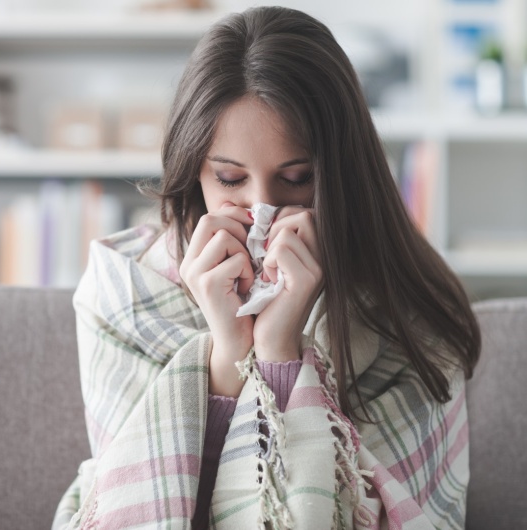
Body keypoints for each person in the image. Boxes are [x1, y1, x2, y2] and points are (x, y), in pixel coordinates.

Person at [53, 6, 480, 529]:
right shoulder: (123, 290)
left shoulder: (404, 304)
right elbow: (141, 503)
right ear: (193, 173)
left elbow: (390, 512)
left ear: (342, 174)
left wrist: (280, 351)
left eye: (297, 179)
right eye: (231, 179)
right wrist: (228, 354)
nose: (263, 213)